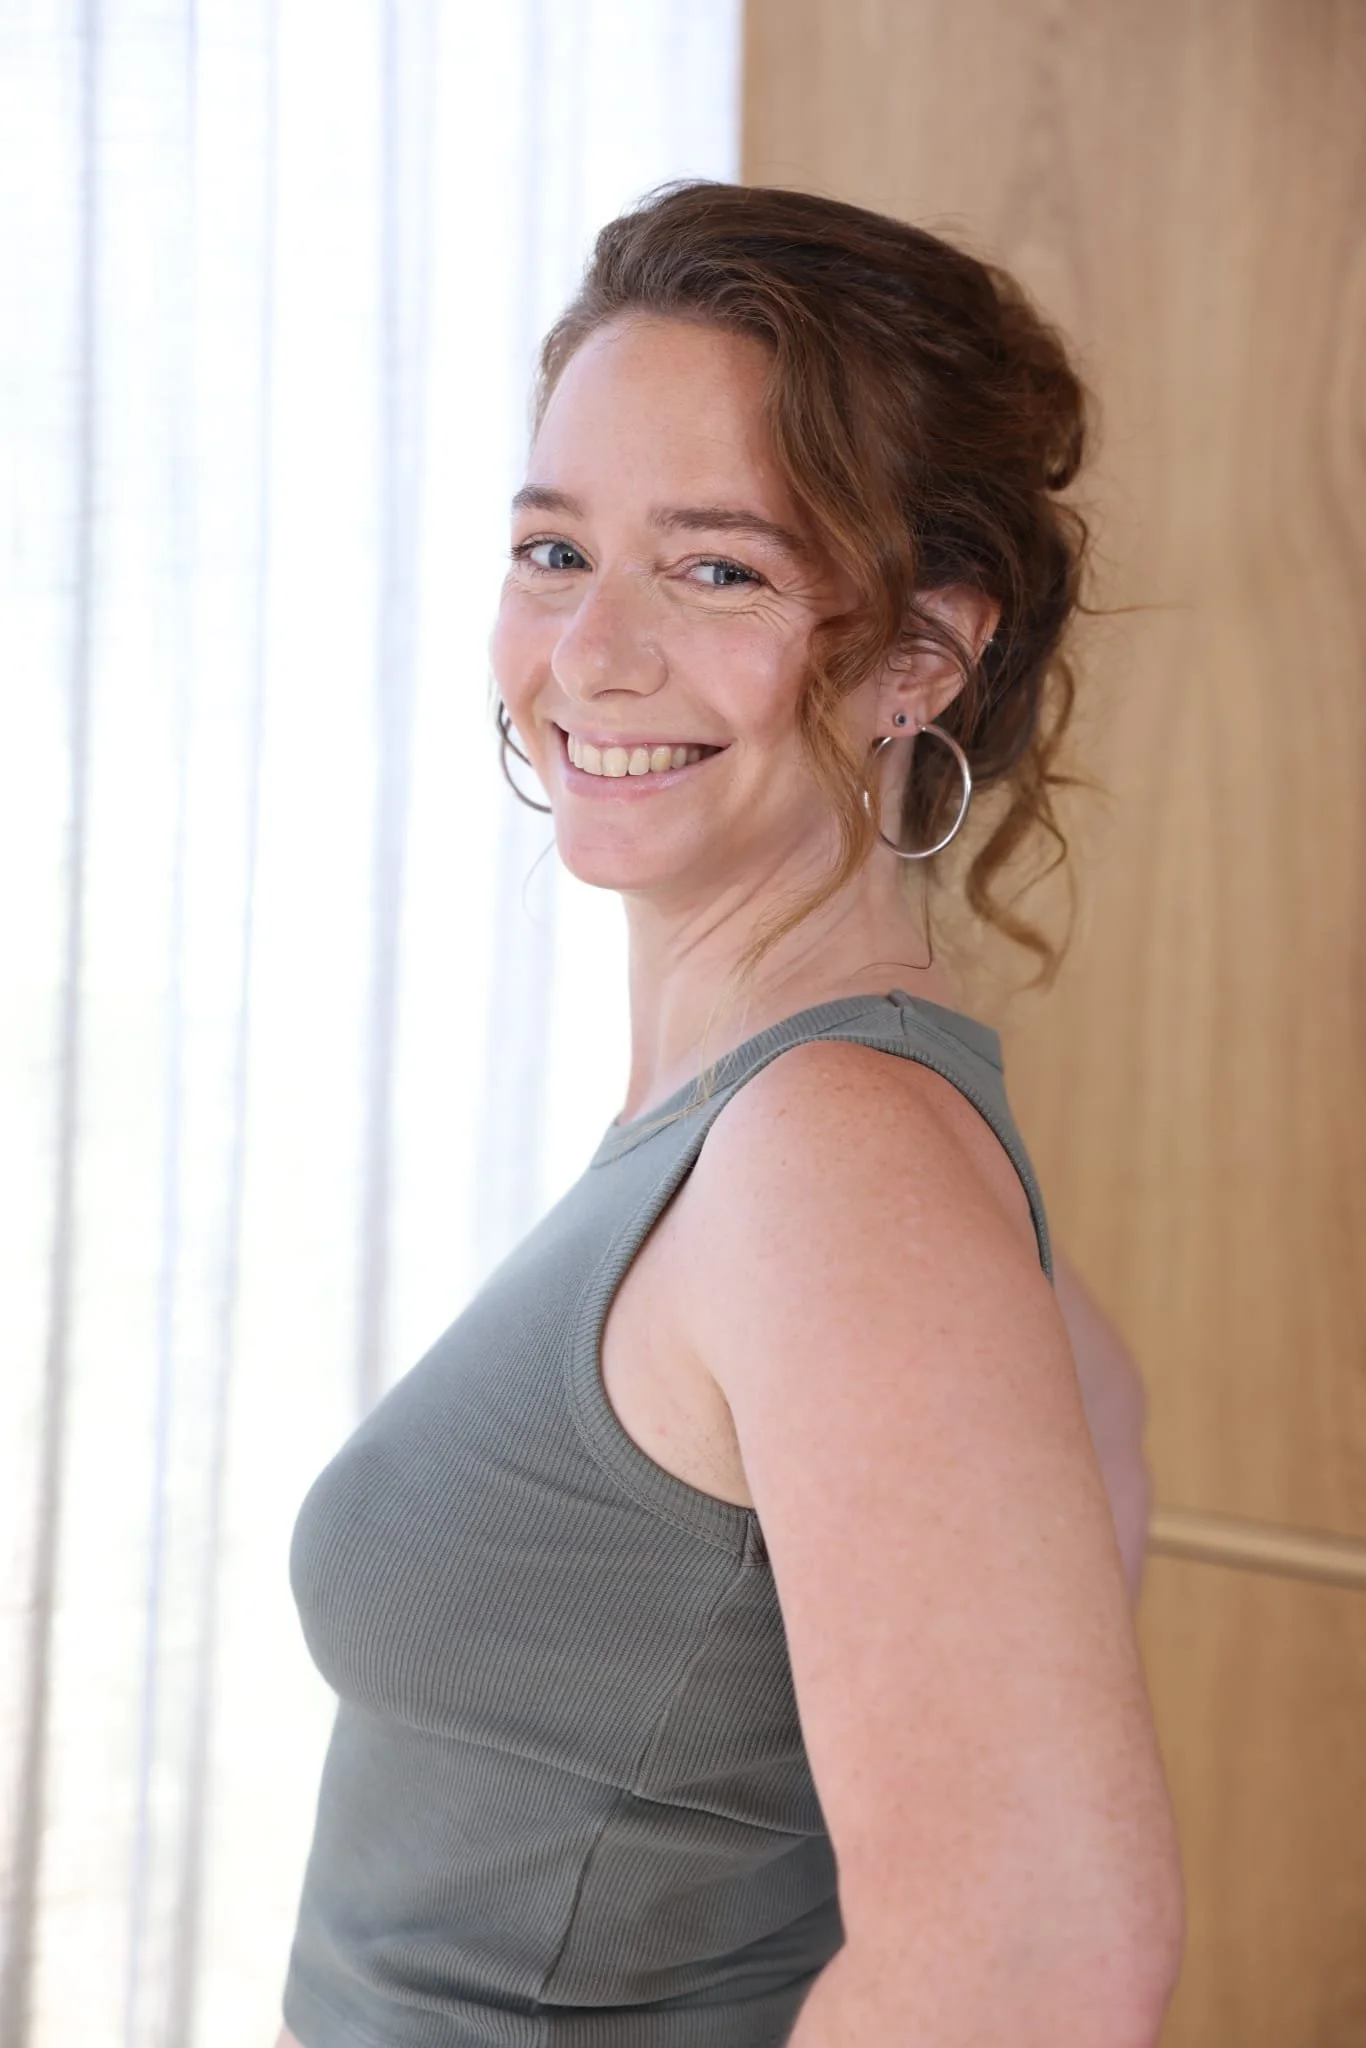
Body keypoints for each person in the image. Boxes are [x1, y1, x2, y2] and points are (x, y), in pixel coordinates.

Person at [276, 181, 1181, 2048]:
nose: (591, 657)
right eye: (553, 551)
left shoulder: (832, 1159)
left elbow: (1032, 1963)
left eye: (717, 570)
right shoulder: (774, 1138)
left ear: (919, 658)